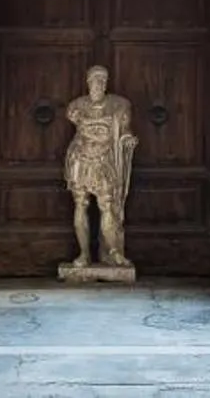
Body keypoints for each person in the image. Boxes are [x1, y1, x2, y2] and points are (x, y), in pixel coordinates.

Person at [62, 64, 138, 269]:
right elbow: (75, 119)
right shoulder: (77, 105)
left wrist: (128, 139)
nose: (99, 84)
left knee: (107, 205)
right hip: (81, 157)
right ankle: (84, 254)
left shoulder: (119, 105)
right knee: (81, 203)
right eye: (95, 80)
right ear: (88, 83)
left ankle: (113, 252)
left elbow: (124, 130)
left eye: (103, 80)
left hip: (104, 159)